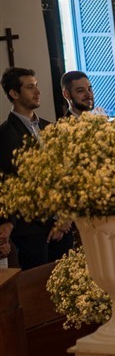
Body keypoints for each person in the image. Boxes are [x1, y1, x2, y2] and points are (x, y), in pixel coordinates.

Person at [0, 67, 72, 269]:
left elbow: (64, 174)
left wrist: (64, 216)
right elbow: (7, 184)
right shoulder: (5, 135)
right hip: (31, 229)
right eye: (30, 87)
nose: (38, 91)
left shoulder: (50, 128)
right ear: (14, 93)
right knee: (37, 285)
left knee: (68, 281)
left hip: (62, 224)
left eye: (37, 86)